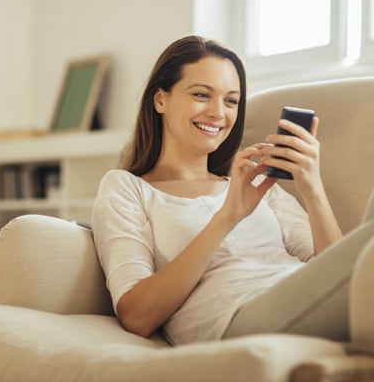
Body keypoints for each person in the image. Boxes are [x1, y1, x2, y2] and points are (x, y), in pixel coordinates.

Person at [91, 35, 374, 346]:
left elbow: (337, 273)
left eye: (231, 101)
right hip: (240, 315)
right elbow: (137, 315)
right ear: (160, 99)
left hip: (305, 298)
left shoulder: (258, 184)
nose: (218, 113)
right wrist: (227, 217)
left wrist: (312, 188)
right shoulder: (127, 188)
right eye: (201, 94)